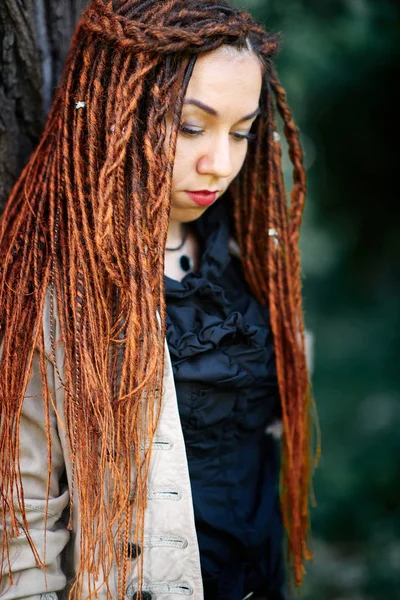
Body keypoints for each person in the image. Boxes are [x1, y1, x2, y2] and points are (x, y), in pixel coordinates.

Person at [0, 1, 318, 598]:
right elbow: (24, 527)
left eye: (242, 131)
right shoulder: (58, 296)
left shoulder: (248, 252)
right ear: (119, 112)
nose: (219, 164)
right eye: (191, 126)